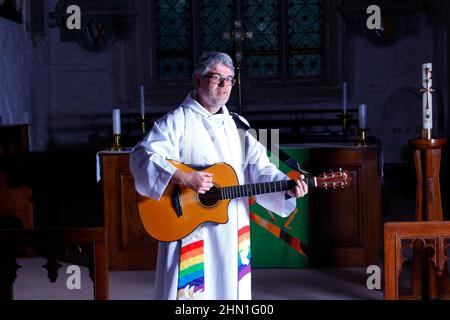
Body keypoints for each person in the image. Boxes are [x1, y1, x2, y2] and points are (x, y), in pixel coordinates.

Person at [129, 51, 308, 300]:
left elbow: (260, 167)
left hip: (232, 225)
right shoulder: (177, 120)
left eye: (229, 79)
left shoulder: (239, 125)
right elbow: (141, 156)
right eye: (216, 77)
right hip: (187, 223)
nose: (224, 85)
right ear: (197, 80)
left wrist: (284, 187)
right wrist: (181, 176)